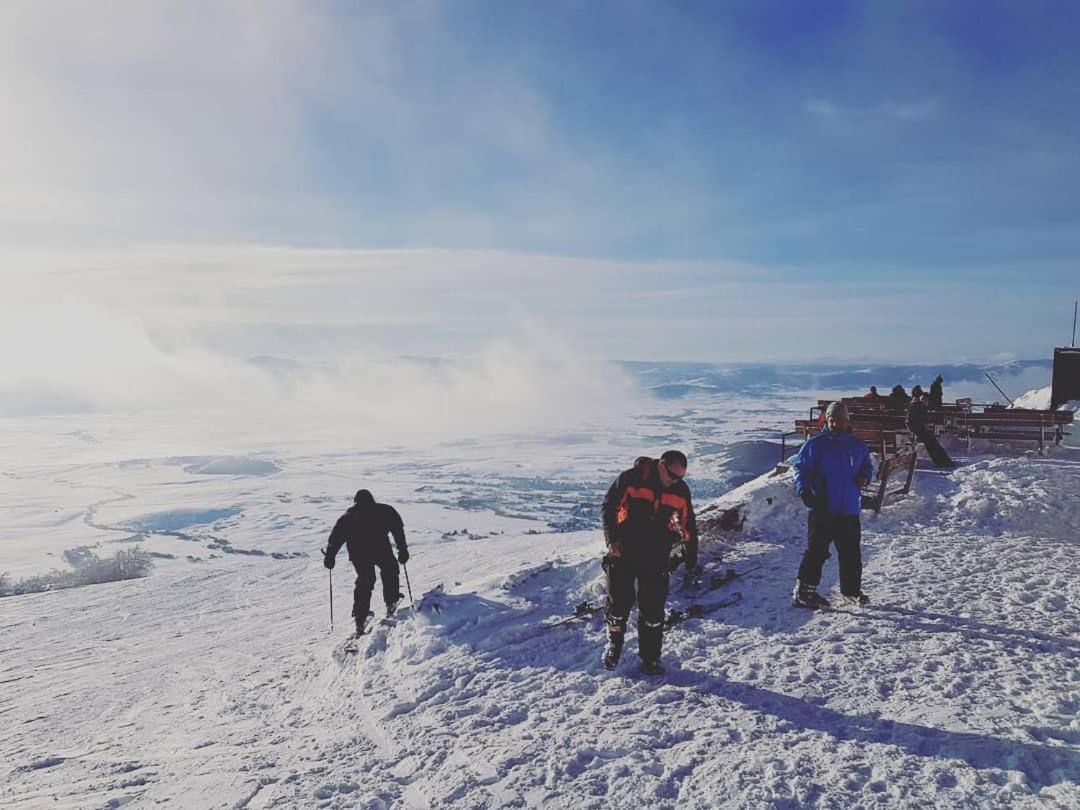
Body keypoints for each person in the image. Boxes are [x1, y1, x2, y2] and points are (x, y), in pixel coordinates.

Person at [600, 450, 698, 675]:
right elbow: (609, 506)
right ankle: (614, 644)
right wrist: (611, 540)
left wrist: (692, 556)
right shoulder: (632, 479)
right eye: (673, 476)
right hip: (624, 551)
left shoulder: (680, 490)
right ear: (661, 466)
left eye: (680, 478)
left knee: (653, 611)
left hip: (656, 554)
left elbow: (688, 524)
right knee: (618, 605)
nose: (675, 481)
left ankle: (650, 658)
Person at [791, 402, 873, 608]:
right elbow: (801, 469)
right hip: (822, 506)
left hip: (849, 507)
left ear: (848, 421)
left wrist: (865, 476)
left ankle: (851, 591)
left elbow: (867, 466)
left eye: (841, 420)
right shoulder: (815, 444)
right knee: (817, 550)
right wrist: (804, 490)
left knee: (851, 552)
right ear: (827, 420)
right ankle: (804, 592)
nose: (837, 424)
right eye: (833, 420)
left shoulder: (857, 445)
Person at [324, 489, 409, 636]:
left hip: (359, 553)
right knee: (390, 570)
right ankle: (391, 601)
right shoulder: (385, 511)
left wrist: (330, 556)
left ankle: (360, 617)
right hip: (381, 549)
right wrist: (402, 550)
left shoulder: (348, 517)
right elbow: (398, 530)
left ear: (355, 501)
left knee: (365, 580)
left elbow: (336, 538)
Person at [907, 393, 953, 467]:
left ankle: (943, 461)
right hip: (918, 431)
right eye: (927, 401)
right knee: (932, 443)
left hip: (919, 430)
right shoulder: (918, 407)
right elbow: (919, 421)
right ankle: (942, 462)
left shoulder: (917, 406)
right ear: (924, 400)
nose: (928, 403)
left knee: (933, 442)